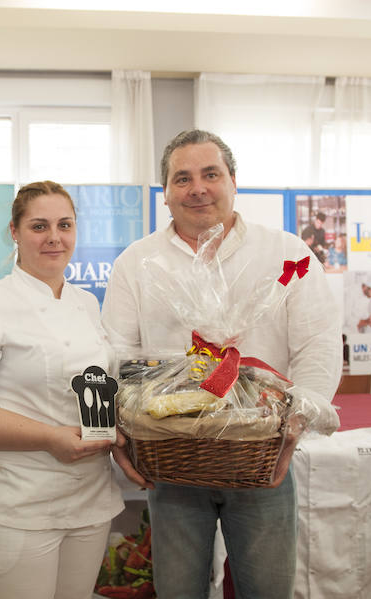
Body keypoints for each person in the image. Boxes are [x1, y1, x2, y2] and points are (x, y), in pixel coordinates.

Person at [102, 130, 341, 599]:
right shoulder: (138, 262)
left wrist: (294, 424)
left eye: (211, 174)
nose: (198, 188)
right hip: (170, 460)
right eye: (182, 178)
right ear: (165, 193)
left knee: (267, 589)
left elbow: (318, 345)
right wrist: (118, 430)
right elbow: (116, 353)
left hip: (263, 457)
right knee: (176, 590)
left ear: (233, 181)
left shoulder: (287, 253)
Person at [0, 181, 138, 599]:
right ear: (14, 231)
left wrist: (115, 433)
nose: (54, 238)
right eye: (39, 226)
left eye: (65, 225)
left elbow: (94, 390)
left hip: (88, 500)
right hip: (13, 506)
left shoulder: (85, 303)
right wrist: (49, 437)